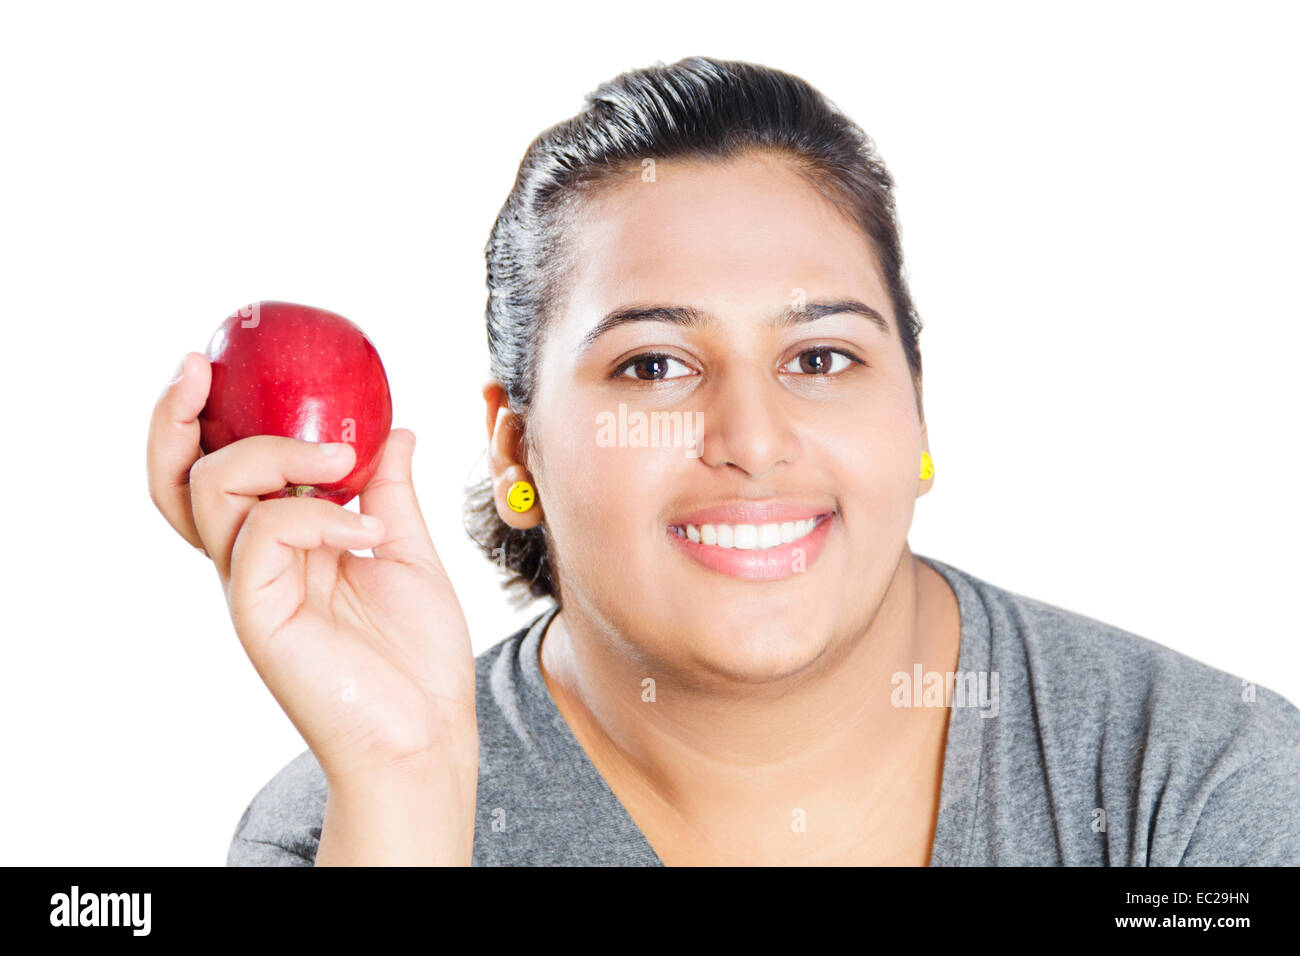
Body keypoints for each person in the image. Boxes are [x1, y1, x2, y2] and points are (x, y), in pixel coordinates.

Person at [146, 56, 1300, 866]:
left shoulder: (1198, 782)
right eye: (653, 365)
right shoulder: (337, 831)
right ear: (519, 447)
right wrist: (408, 785)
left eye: (820, 354)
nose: (751, 441)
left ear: (917, 413)